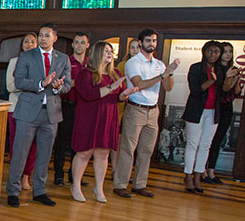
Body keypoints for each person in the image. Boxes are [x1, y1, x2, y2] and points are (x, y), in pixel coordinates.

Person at [5, 23, 72, 208]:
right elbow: (19, 80)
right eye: (40, 35)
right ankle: (13, 191)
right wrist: (42, 83)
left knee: (44, 155)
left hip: (51, 114)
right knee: (19, 154)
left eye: (46, 35)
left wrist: (59, 87)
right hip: (27, 112)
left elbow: (68, 84)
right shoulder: (26, 56)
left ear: (55, 38)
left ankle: (40, 191)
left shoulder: (63, 58)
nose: (42, 38)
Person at [112, 28, 179, 198]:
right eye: (148, 40)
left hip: (153, 110)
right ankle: (120, 184)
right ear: (141, 43)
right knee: (128, 148)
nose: (152, 44)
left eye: (154, 41)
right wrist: (162, 76)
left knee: (146, 150)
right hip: (136, 109)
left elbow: (168, 87)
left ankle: (139, 184)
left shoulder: (159, 64)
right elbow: (139, 84)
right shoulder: (133, 63)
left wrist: (168, 73)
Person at [70, 41, 138, 203]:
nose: (110, 54)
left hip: (108, 116)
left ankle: (98, 187)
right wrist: (111, 88)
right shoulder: (85, 74)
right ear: (98, 53)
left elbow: (119, 97)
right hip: (88, 117)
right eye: (106, 51)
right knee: (84, 152)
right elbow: (88, 95)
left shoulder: (114, 72)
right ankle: (76, 186)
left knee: (103, 153)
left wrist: (126, 93)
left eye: (111, 51)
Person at [181, 40, 229, 193]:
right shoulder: (196, 68)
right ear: (204, 52)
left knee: (205, 145)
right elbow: (195, 91)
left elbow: (223, 91)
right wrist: (211, 81)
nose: (213, 54)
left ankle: (198, 175)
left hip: (213, 112)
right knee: (192, 144)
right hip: (196, 111)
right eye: (210, 51)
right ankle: (188, 175)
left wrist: (231, 79)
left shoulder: (220, 70)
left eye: (216, 52)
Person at [51, 32, 89, 186]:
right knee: (62, 142)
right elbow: (62, 83)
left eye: (82, 42)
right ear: (73, 44)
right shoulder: (66, 61)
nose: (79, 45)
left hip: (84, 108)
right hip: (67, 106)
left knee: (79, 143)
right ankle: (58, 175)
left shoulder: (90, 63)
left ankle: (74, 176)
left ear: (87, 45)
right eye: (77, 42)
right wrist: (79, 83)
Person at [203, 42, 244, 183]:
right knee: (208, 140)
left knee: (218, 139)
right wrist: (228, 78)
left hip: (228, 107)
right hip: (216, 106)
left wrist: (236, 79)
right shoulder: (217, 69)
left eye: (230, 51)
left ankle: (211, 172)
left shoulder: (233, 69)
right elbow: (222, 90)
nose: (228, 54)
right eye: (225, 51)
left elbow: (237, 92)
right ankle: (201, 171)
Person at [5, 33, 38, 191]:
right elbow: (10, 86)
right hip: (15, 108)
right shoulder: (14, 62)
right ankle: (14, 178)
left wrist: (26, 84)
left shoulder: (40, 64)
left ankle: (26, 176)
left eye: (33, 42)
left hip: (34, 110)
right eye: (26, 42)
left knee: (32, 147)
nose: (29, 44)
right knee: (16, 146)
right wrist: (31, 84)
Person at [111, 37, 139, 168]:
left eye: (137, 47)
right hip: (122, 105)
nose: (135, 50)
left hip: (138, 105)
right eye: (132, 47)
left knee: (131, 140)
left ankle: (125, 169)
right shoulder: (123, 65)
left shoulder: (144, 65)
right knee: (118, 138)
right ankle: (115, 168)